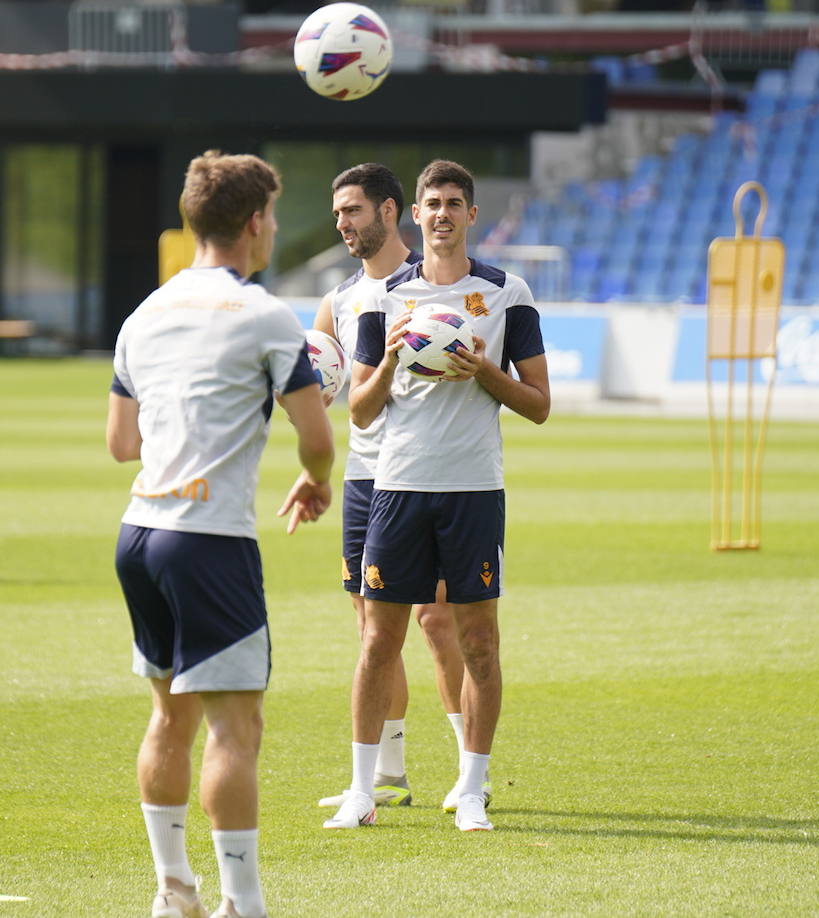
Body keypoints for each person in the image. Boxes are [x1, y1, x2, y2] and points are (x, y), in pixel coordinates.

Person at [107, 150, 334, 918]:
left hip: (139, 530)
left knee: (168, 717)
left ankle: (174, 892)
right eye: (271, 216)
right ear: (254, 222)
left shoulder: (146, 312)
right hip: (208, 539)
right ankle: (245, 904)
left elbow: (120, 443)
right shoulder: (267, 314)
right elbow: (316, 434)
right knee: (236, 727)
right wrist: (315, 479)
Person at [324, 159, 550, 832]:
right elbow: (359, 412)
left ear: (472, 215)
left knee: (479, 642)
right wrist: (392, 360)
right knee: (378, 641)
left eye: (456, 202)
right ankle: (365, 790)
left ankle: (472, 788)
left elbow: (538, 405)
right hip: (397, 485)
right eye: (433, 203)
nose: (444, 213)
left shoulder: (508, 294)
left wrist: (483, 370)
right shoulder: (384, 299)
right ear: (415, 216)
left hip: (474, 488)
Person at [311, 163, 482, 815]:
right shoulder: (340, 300)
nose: (343, 225)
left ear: (390, 212)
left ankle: (473, 771)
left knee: (439, 622)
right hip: (364, 480)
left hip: (429, 476)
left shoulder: (440, 287)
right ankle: (390, 772)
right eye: (336, 215)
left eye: (352, 211)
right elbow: (325, 391)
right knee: (371, 630)